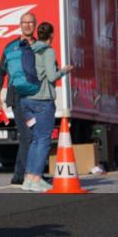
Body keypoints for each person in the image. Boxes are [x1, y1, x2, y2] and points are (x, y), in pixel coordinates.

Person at [19, 22, 74, 192]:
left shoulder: (29, 49)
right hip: (42, 101)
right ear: (52, 35)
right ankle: (37, 178)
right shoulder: (48, 51)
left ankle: (28, 179)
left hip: (26, 101)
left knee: (36, 140)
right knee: (43, 140)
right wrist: (64, 71)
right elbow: (51, 76)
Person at [0, 12, 37, 185]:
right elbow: (0, 72)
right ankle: (30, 174)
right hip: (17, 96)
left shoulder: (40, 47)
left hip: (37, 97)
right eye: (24, 22)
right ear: (20, 25)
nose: (27, 25)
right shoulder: (10, 47)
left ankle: (19, 175)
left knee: (31, 135)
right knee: (27, 135)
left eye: (30, 22)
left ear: (35, 25)